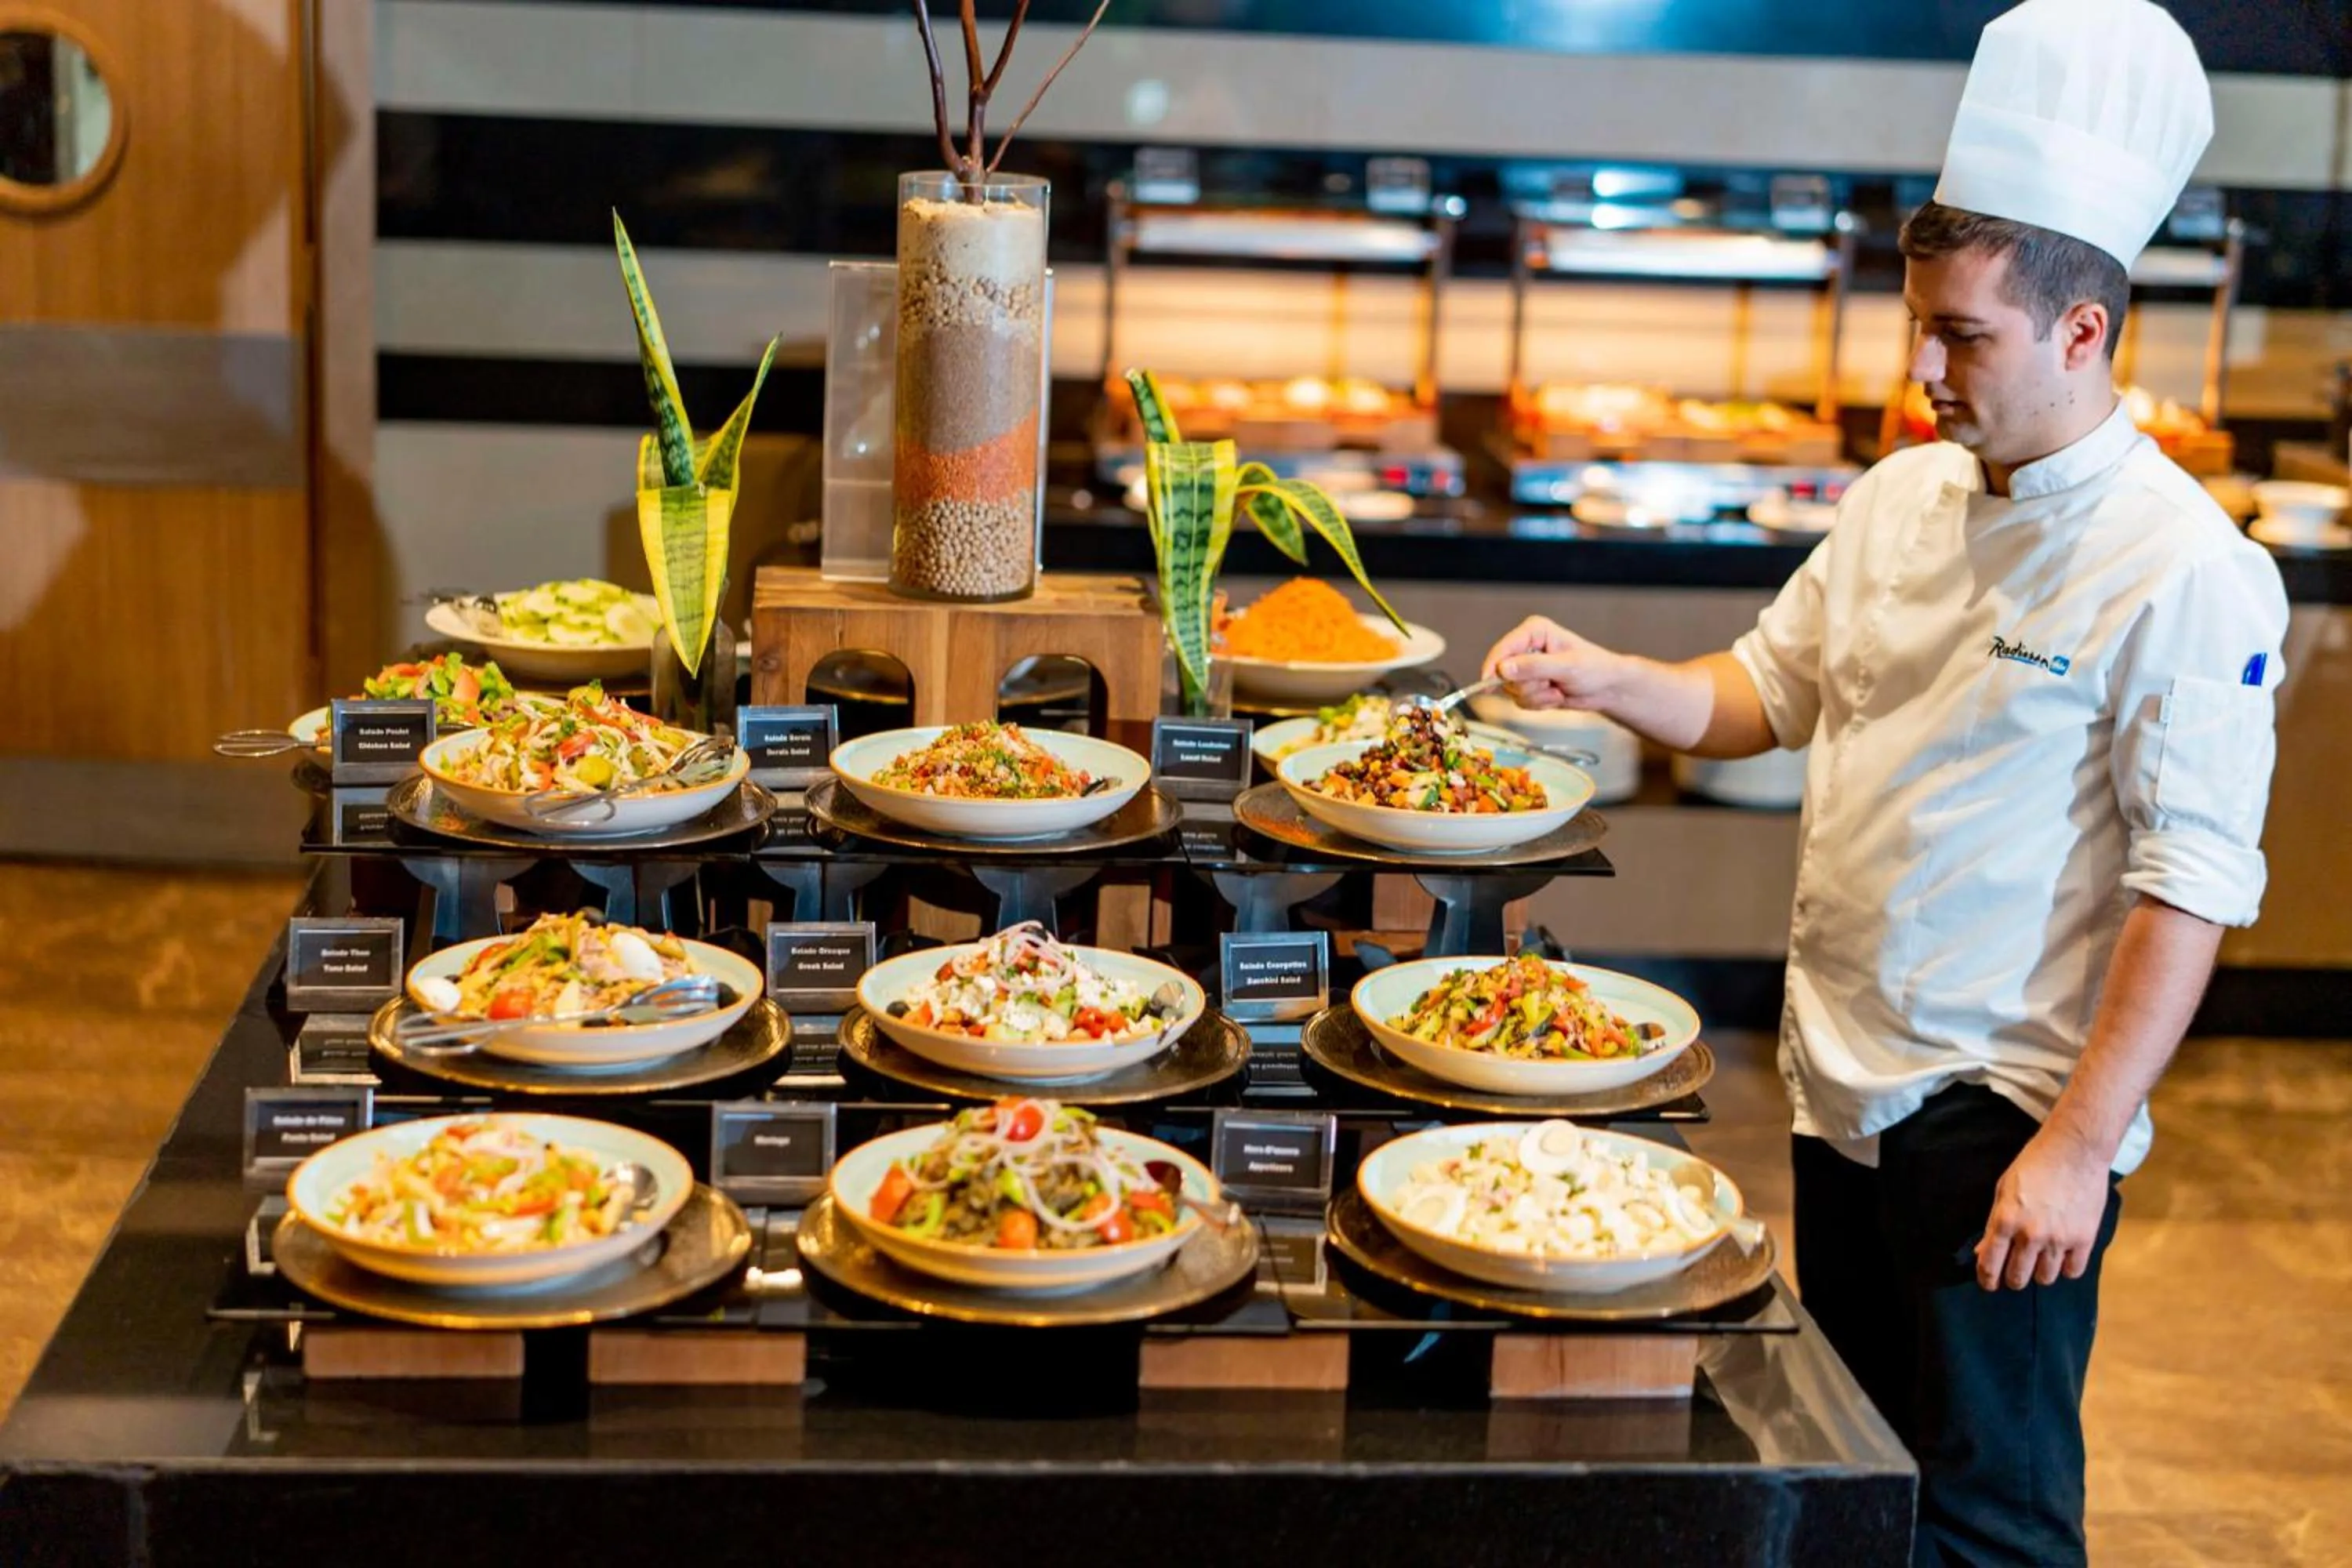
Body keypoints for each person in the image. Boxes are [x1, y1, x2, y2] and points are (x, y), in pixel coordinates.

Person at [1483, 2, 2286, 1563]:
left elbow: (2188, 889)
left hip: (2000, 1117)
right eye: (1918, 323)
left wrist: (2077, 1142)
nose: (1921, 366)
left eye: (1962, 335)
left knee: (1987, 1519)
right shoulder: (1902, 495)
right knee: (1848, 1478)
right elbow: (1763, 694)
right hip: (1838, 1081)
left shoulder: (2189, 570)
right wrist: (1606, 680)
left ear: (2082, 331)